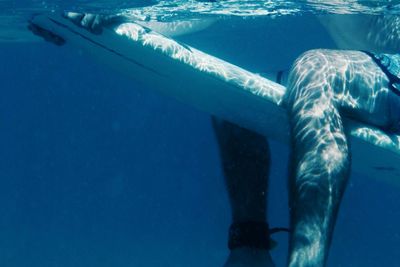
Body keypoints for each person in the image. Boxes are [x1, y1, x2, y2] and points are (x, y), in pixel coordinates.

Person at [55, 9, 400, 267]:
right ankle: (250, 247)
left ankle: (305, 262)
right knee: (235, 99)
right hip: (374, 81)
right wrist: (119, 23)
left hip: (390, 70)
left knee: (315, 68)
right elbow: (205, 8)